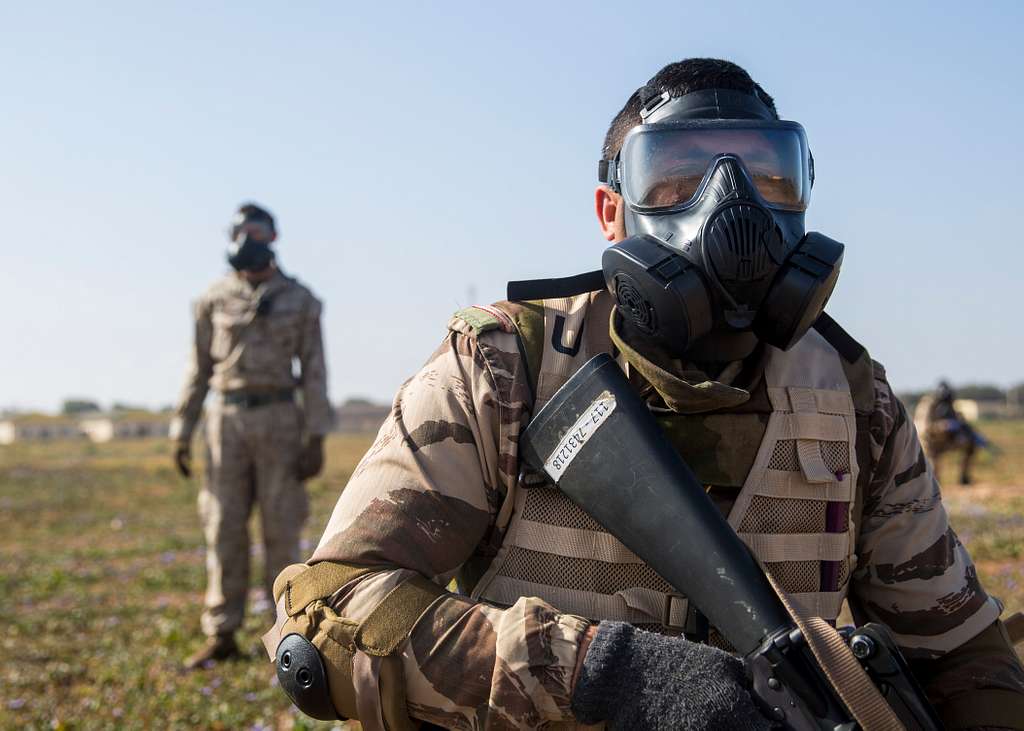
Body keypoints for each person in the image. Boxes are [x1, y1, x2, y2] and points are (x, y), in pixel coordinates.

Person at [262, 60, 1024, 729]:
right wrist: (607, 672)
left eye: (768, 175)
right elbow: (324, 619)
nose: (732, 206)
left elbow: (964, 658)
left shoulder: (855, 399)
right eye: (677, 175)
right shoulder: (506, 370)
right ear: (611, 209)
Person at [172, 202, 331, 670]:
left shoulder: (301, 299)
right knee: (222, 526)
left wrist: (316, 435)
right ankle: (221, 632)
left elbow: (315, 371)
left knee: (282, 528)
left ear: (273, 238)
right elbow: (198, 368)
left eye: (257, 231)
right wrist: (181, 431)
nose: (248, 238)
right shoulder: (212, 299)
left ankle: (288, 633)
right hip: (225, 422)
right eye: (240, 231)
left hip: (280, 417)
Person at [920, 380, 981, 485]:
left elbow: (959, 421)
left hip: (949, 440)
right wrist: (941, 426)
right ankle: (934, 482)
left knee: (970, 444)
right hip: (932, 442)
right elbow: (924, 429)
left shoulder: (951, 406)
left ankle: (964, 477)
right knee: (933, 467)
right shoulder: (929, 407)